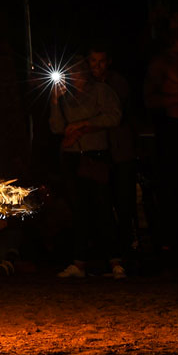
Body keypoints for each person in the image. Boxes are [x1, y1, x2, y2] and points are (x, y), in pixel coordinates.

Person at [49, 55, 123, 278]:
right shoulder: (65, 97)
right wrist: (54, 102)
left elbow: (114, 116)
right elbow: (56, 127)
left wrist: (83, 126)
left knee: (103, 208)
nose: (72, 76)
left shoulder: (101, 91)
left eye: (75, 72)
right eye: (68, 72)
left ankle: (116, 261)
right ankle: (79, 263)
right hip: (73, 158)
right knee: (79, 210)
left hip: (96, 156)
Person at [86, 41, 139, 265]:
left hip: (119, 152)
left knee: (124, 203)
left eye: (101, 61)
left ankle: (127, 254)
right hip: (97, 153)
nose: (97, 66)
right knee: (100, 205)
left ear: (108, 62)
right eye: (93, 61)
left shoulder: (117, 83)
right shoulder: (85, 84)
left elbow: (116, 115)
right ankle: (106, 255)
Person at [143, 13, 178, 273]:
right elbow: (148, 100)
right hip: (174, 130)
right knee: (174, 190)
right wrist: (176, 99)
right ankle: (173, 249)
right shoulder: (161, 63)